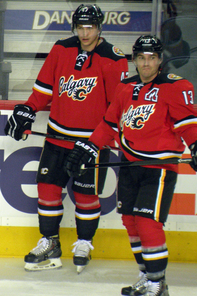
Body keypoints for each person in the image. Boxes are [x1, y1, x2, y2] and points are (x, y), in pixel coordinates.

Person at [64, 35, 197, 295]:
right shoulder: (126, 86)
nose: (147, 64)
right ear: (134, 60)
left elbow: (187, 122)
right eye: (142, 58)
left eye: (152, 58)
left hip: (158, 169)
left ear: (160, 60)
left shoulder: (174, 87)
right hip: (130, 165)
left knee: (148, 223)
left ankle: (158, 283)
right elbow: (110, 123)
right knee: (131, 223)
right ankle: (146, 277)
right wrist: (89, 146)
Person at [4, 4, 128, 273]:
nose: (85, 33)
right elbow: (44, 88)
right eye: (80, 27)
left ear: (99, 27)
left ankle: (84, 242)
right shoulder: (62, 49)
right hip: (57, 137)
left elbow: (116, 107)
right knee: (47, 191)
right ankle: (50, 242)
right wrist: (28, 109)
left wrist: (99, 140)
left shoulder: (113, 58)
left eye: (90, 27)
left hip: (90, 143)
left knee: (85, 195)